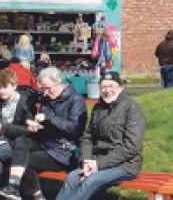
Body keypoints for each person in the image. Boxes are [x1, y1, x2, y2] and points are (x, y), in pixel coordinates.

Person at [57, 71, 145, 200]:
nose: (107, 90)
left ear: (121, 88)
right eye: (103, 87)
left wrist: (99, 164)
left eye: (111, 86)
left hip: (125, 165)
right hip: (96, 161)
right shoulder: (98, 108)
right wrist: (86, 160)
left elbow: (132, 146)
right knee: (72, 177)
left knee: (91, 181)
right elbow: (88, 137)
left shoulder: (132, 108)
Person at [11, 67, 88, 200]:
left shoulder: (76, 99)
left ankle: (36, 196)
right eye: (43, 89)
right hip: (46, 143)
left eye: (48, 88)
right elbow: (29, 97)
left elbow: (75, 128)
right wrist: (33, 123)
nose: (45, 93)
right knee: (20, 144)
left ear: (59, 83)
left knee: (26, 161)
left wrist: (48, 119)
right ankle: (13, 188)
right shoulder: (47, 97)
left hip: (64, 150)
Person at [0, 68, 37, 200]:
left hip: (20, 144)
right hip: (0, 139)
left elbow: (27, 130)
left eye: (5, 87)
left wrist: (2, 128)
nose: (2, 91)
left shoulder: (25, 102)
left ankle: (4, 188)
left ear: (14, 86)